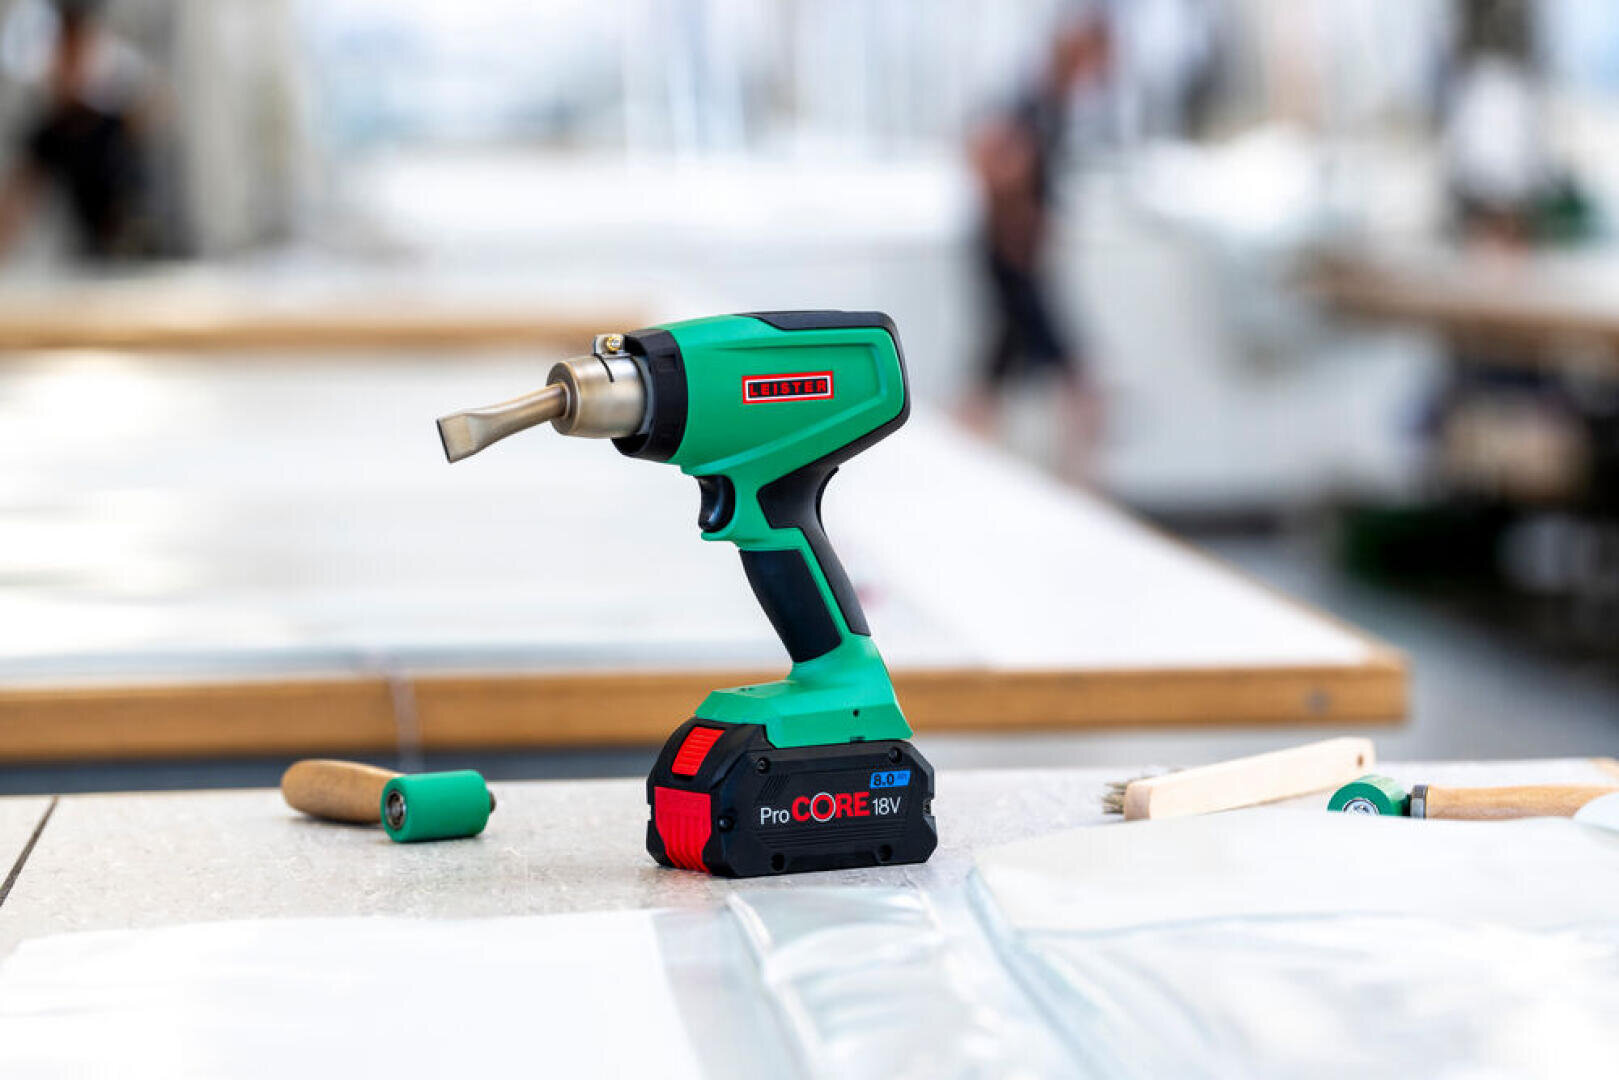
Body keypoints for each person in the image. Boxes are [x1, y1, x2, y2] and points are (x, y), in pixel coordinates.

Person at [960, 14, 1110, 483]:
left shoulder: (1051, 101)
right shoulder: (1035, 101)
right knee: (1063, 361)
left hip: (1016, 249)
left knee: (1003, 361)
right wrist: (1018, 213)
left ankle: (1069, 469)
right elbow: (990, 155)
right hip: (1012, 250)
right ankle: (1083, 476)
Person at [0, 0, 159, 259]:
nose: (71, 64)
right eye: (64, 52)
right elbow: (14, 207)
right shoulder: (53, 132)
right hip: (99, 262)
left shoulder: (127, 114)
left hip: (159, 259)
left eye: (80, 51)